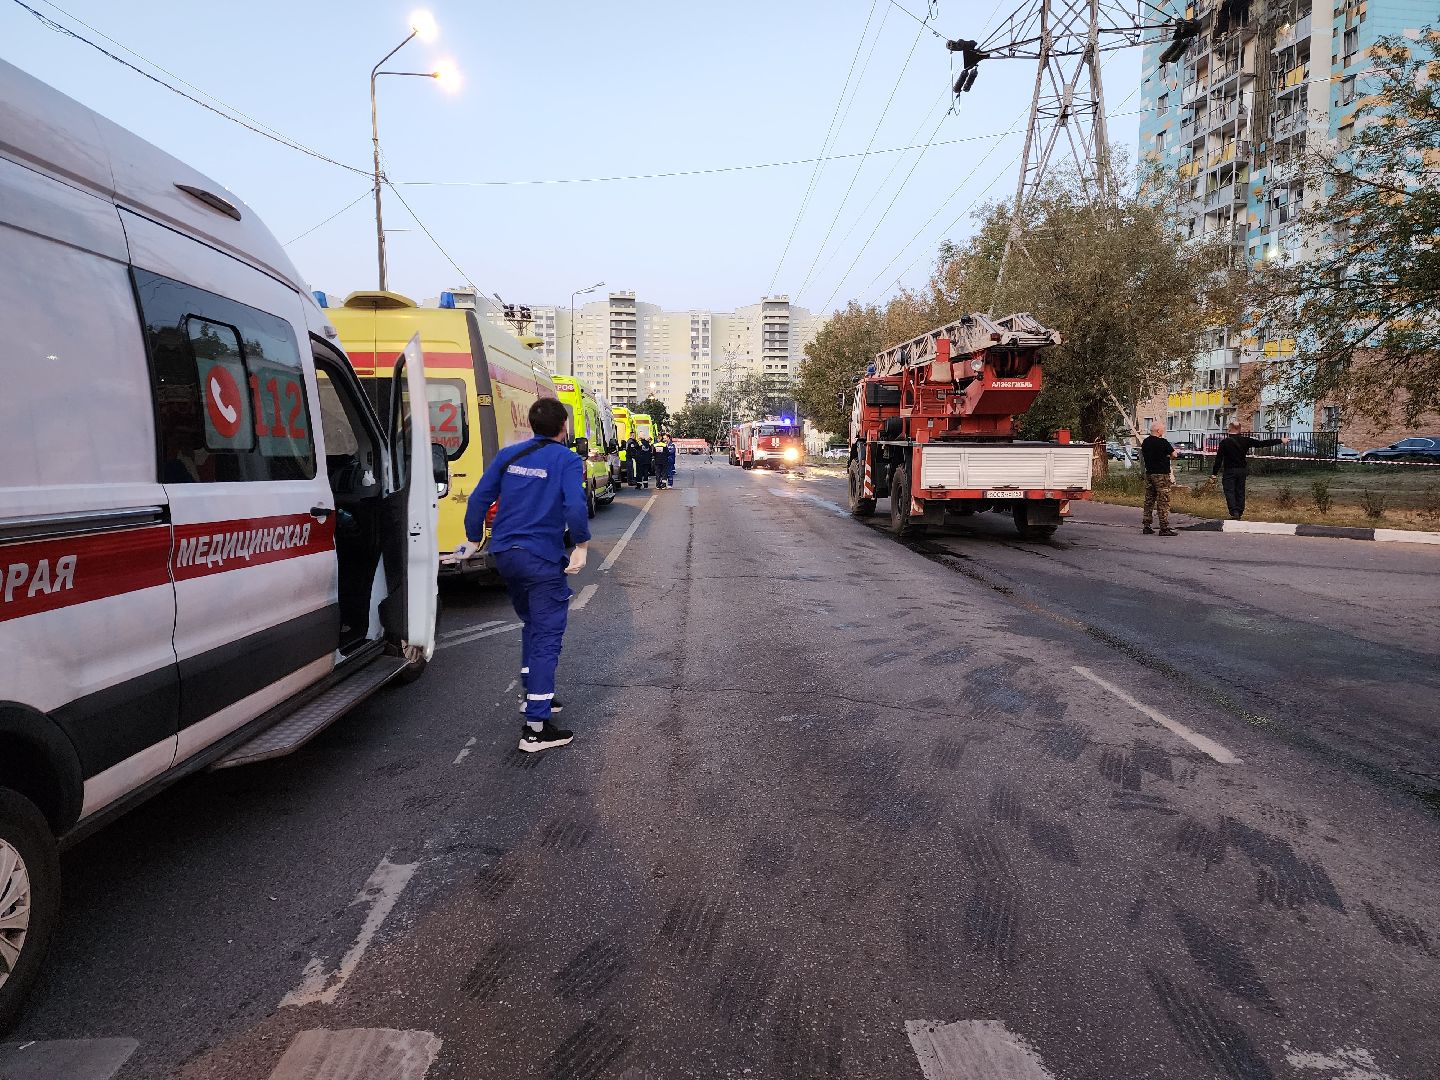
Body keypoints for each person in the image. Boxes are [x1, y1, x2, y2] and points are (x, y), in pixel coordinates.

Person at [456, 398, 590, 753]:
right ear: (563, 426)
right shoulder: (566, 459)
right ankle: (535, 729)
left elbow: (478, 499)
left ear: (531, 424)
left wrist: (472, 539)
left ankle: (534, 694)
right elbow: (575, 505)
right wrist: (581, 545)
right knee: (547, 635)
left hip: (505, 555)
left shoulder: (508, 455)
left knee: (532, 623)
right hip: (540, 558)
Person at [1211, 421, 1288, 520]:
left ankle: (1234, 511)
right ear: (1240, 429)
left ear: (1229, 429)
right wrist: (1280, 440)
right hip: (1242, 470)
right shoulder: (1246, 440)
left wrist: (1214, 473)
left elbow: (1219, 459)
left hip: (1229, 470)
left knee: (1229, 491)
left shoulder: (1224, 442)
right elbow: (1262, 443)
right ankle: (1239, 511)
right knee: (1240, 491)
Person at [1140, 422, 1179, 537]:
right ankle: (1164, 527)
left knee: (1149, 500)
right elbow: (1174, 455)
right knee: (1163, 501)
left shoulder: (1146, 442)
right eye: (1163, 429)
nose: (1163, 431)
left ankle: (1146, 525)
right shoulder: (1163, 442)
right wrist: (1167, 456)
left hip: (1150, 473)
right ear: (1158, 431)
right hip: (1162, 475)